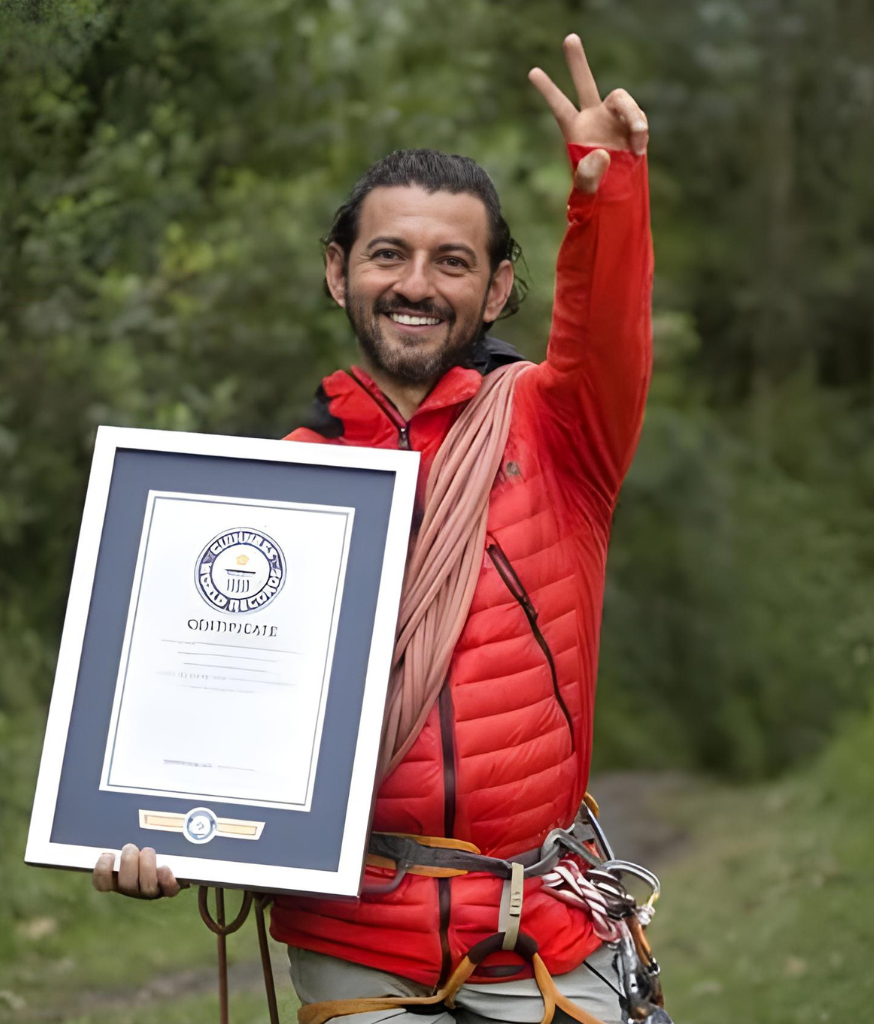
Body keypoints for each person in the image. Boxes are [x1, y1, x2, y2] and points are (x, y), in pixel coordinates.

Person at [93, 32, 655, 1024]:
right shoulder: (270, 492)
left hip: (545, 937)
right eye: (387, 254)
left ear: (496, 289)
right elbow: (210, 708)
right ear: (337, 270)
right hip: (355, 940)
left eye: (452, 262)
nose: (415, 284)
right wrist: (159, 832)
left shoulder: (561, 432)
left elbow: (607, 325)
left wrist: (605, 189)